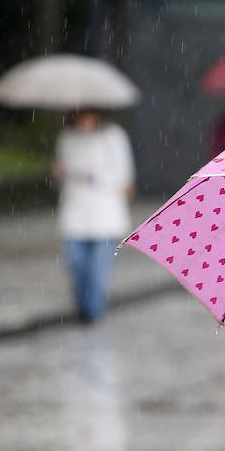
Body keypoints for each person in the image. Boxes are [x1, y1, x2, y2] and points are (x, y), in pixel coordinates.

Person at [52, 108, 134, 324]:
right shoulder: (67, 138)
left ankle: (92, 312)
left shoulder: (113, 137)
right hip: (75, 212)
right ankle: (83, 307)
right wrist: (61, 172)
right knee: (76, 265)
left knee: (99, 270)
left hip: (105, 214)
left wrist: (94, 176)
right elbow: (62, 173)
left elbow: (125, 178)